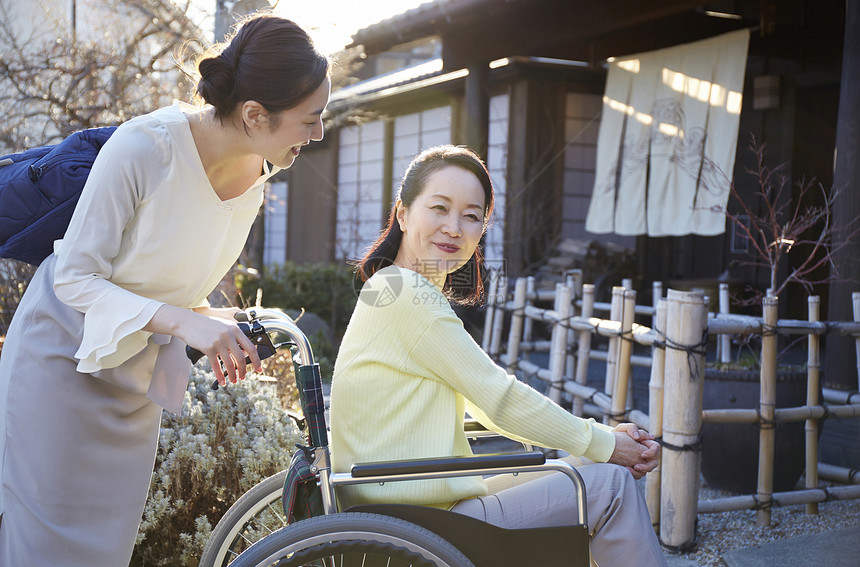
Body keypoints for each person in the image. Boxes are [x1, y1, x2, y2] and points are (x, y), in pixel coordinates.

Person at [0, 14, 330, 565]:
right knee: (43, 549)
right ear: (254, 114)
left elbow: (171, 287)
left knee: (104, 551)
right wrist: (186, 321)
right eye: (310, 118)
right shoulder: (144, 149)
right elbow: (78, 277)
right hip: (59, 364)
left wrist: (220, 322)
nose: (318, 133)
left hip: (130, 388)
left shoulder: (257, 171)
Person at [330, 145, 668, 567]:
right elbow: (499, 397)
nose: (454, 227)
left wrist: (598, 441)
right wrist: (605, 443)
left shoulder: (392, 287)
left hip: (406, 506)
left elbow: (483, 402)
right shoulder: (408, 296)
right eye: (439, 208)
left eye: (471, 216)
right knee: (610, 483)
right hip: (424, 522)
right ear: (402, 213)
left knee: (582, 463)